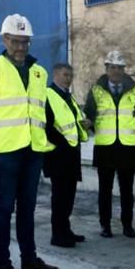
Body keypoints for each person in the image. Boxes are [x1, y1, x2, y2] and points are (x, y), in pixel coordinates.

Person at [0, 14, 58, 269]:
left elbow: (44, 111)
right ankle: (3, 263)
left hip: (33, 150)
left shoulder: (39, 72)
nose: (20, 47)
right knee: (5, 207)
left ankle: (29, 258)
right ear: (4, 39)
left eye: (25, 42)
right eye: (15, 41)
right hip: (5, 153)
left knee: (28, 207)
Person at [83, 50, 135, 238]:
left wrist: (128, 128)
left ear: (124, 69)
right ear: (106, 69)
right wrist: (99, 128)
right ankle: (105, 226)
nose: (116, 71)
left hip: (127, 147)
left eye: (119, 68)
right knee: (105, 190)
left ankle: (128, 225)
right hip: (105, 147)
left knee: (127, 190)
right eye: (112, 67)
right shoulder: (96, 90)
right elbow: (90, 114)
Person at [44, 62, 89, 248]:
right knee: (60, 196)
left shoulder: (67, 96)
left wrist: (85, 124)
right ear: (55, 75)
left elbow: (73, 121)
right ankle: (57, 235)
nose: (68, 78)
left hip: (70, 154)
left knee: (69, 195)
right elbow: (46, 126)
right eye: (65, 75)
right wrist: (63, 143)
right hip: (58, 155)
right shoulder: (49, 95)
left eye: (70, 75)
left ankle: (66, 230)